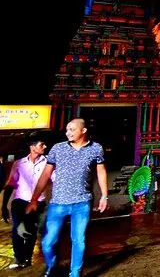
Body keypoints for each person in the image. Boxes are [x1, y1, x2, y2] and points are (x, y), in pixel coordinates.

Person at [26, 118, 108, 277]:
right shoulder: (58, 148)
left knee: (79, 240)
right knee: (48, 242)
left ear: (83, 131)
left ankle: (75, 273)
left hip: (82, 202)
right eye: (67, 130)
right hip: (58, 203)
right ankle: (52, 264)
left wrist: (104, 196)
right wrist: (34, 199)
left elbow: (101, 172)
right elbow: (45, 174)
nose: (68, 133)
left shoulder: (96, 148)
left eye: (72, 129)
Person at [3, 137, 48, 270]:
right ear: (32, 147)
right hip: (20, 202)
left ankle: (27, 259)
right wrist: (4, 206)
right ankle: (18, 258)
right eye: (42, 144)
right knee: (17, 229)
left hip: (38, 202)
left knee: (31, 231)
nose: (45, 147)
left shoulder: (48, 163)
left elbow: (55, 179)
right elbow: (10, 184)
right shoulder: (19, 164)